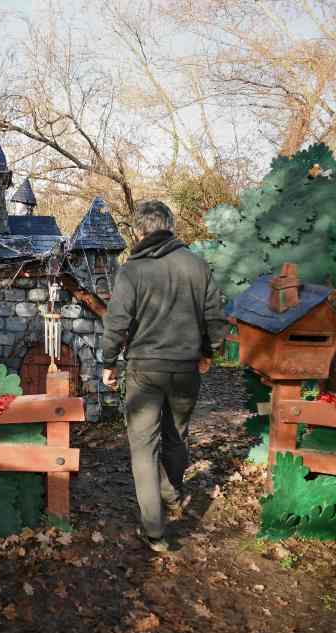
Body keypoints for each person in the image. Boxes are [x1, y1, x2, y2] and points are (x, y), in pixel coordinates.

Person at [101, 200, 227, 552]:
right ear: (169, 226)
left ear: (139, 231)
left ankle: (155, 531)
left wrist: (108, 362)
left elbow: (117, 322)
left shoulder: (132, 270)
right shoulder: (197, 265)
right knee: (176, 436)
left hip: (145, 370)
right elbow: (215, 317)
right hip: (186, 368)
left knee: (144, 447)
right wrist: (208, 352)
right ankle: (172, 493)